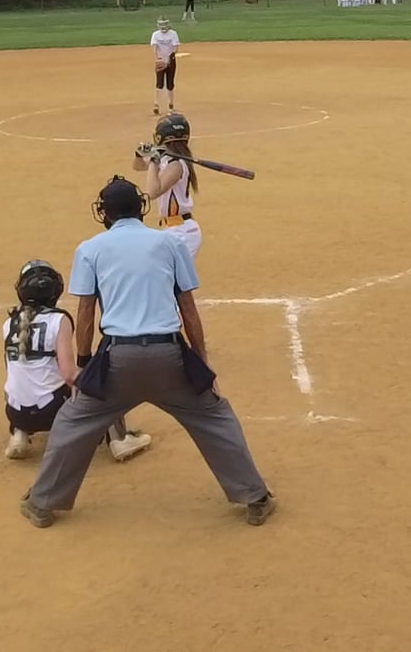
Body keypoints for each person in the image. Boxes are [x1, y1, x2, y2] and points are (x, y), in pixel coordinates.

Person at [20, 177, 275, 529]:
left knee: (72, 423)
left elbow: (86, 312)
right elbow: (188, 310)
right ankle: (255, 498)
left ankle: (42, 503)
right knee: (215, 417)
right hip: (169, 357)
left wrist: (84, 365)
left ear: (104, 213)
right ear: (140, 208)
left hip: (117, 362)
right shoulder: (170, 243)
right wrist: (202, 365)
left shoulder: (90, 249)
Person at [2, 260, 151, 463]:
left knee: (20, 380)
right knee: (102, 377)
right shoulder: (58, 320)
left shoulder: (9, 323)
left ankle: (19, 434)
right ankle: (119, 440)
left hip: (15, 413)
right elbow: (70, 374)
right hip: (52, 413)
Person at [132, 112, 201, 260]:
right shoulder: (167, 160)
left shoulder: (176, 165)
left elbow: (152, 192)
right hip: (174, 230)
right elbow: (138, 166)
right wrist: (139, 154)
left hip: (182, 232)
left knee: (164, 272)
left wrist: (154, 160)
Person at [150, 17, 180, 116]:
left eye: (165, 24)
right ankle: (156, 104)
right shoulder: (155, 34)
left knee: (170, 83)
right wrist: (158, 58)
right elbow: (155, 47)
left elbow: (175, 47)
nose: (163, 26)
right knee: (159, 83)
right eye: (161, 24)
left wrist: (169, 58)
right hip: (160, 61)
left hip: (171, 61)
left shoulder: (173, 34)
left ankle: (171, 105)